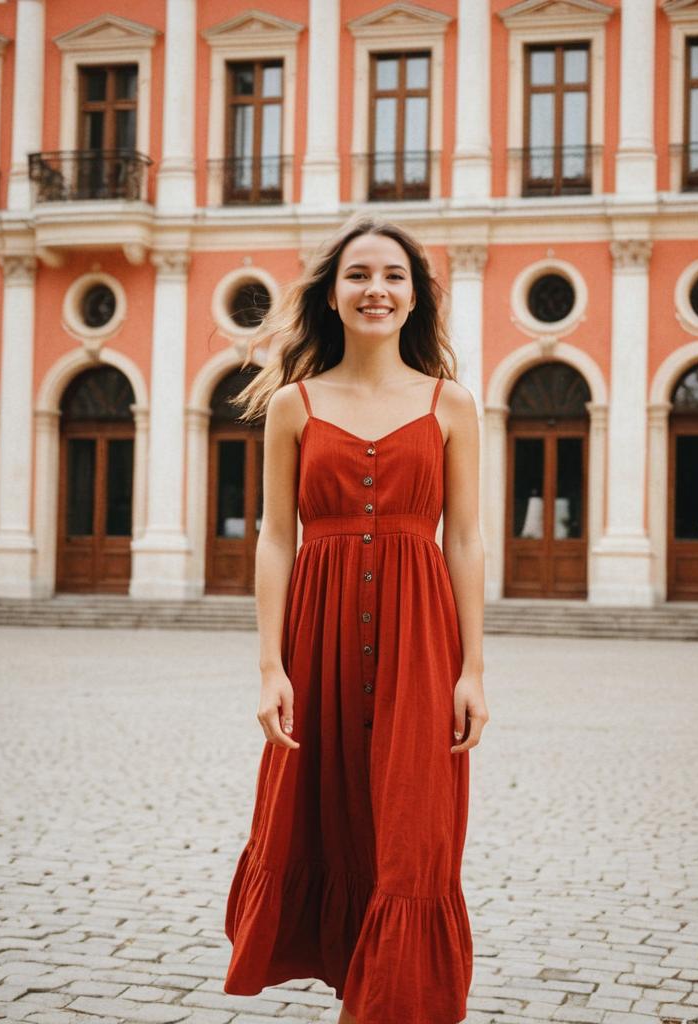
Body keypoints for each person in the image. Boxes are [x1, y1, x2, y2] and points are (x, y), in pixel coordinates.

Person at [223, 212, 489, 1023]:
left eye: (394, 276)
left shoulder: (452, 406)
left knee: (414, 828)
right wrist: (271, 666)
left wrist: (472, 668)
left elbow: (467, 541)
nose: (377, 288)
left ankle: (394, 1003)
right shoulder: (294, 406)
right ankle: (352, 975)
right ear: (332, 296)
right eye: (359, 275)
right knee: (324, 818)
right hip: (320, 639)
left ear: (415, 299)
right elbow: (275, 539)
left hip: (421, 643)